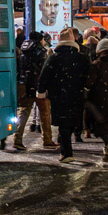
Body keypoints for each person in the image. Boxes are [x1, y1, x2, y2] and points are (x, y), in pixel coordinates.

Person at [38, 34, 90, 162]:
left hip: (58, 95)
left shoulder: (54, 57)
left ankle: (66, 152)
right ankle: (68, 147)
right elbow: (90, 75)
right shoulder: (81, 58)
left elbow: (44, 75)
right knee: (73, 120)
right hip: (77, 94)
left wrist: (41, 91)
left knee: (63, 123)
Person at [13, 32, 53, 151]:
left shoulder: (23, 51)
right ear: (41, 40)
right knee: (44, 113)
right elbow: (45, 70)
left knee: (24, 112)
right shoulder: (42, 52)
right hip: (38, 86)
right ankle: (47, 140)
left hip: (25, 85)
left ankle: (17, 139)